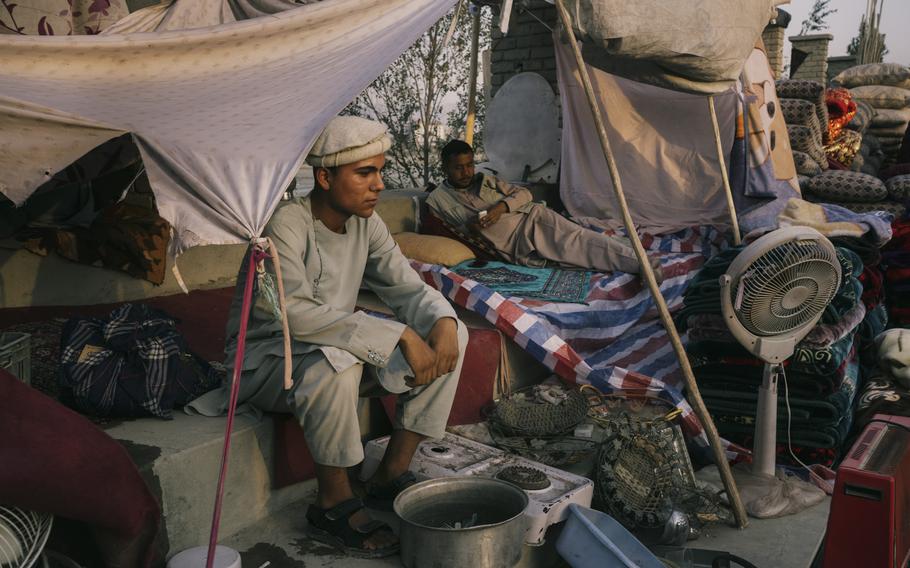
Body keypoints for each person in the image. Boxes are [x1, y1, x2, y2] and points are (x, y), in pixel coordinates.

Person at [191, 116, 467, 558]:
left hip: (335, 355)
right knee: (339, 360)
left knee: (452, 334)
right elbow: (293, 315)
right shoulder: (285, 224)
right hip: (267, 365)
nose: (378, 184)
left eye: (380, 171)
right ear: (324, 176)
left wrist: (443, 323)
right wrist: (396, 335)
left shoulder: (367, 224)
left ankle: (388, 475)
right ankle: (333, 502)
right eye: (364, 173)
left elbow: (407, 287)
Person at [427, 140, 662, 280]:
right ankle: (632, 254)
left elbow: (525, 194)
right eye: (458, 168)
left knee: (583, 242)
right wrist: (470, 227)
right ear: (445, 167)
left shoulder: (486, 180)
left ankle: (644, 266)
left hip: (533, 221)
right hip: (518, 246)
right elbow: (445, 233)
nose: (467, 172)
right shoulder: (438, 200)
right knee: (579, 254)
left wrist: (501, 207)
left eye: (469, 165)